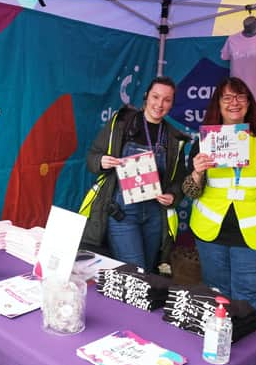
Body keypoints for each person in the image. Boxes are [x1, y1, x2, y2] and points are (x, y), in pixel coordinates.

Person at [183, 77, 256, 320]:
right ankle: (221, 347)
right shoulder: (205, 141)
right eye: (227, 98)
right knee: (216, 295)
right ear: (218, 105)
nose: (235, 102)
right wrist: (198, 172)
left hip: (253, 235)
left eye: (241, 97)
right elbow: (190, 191)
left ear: (249, 102)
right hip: (211, 232)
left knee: (251, 297)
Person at [81, 76, 190, 272]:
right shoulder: (121, 123)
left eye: (167, 100)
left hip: (154, 214)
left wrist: (173, 195)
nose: (160, 104)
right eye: (156, 97)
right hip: (123, 213)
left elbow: (180, 179)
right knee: (136, 272)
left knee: (147, 271)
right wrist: (102, 161)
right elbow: (92, 157)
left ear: (172, 104)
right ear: (146, 96)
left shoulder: (174, 137)